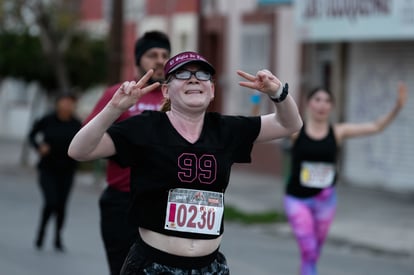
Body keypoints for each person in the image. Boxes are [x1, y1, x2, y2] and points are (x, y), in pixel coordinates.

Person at [68, 51, 303, 274]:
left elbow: (290, 125)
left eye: (202, 75)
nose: (193, 79)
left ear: (211, 90)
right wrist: (114, 108)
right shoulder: (146, 127)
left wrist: (278, 93)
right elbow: (78, 150)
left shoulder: (227, 129)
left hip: (210, 266)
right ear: (166, 91)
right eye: (182, 74)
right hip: (154, 265)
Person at [284, 83, 407, 275]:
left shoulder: (338, 132)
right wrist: (265, 100)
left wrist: (397, 107)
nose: (322, 105)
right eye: (317, 100)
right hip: (298, 200)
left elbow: (375, 126)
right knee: (308, 248)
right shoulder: (296, 131)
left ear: (332, 106)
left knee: (314, 251)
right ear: (308, 104)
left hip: (325, 201)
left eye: (327, 101)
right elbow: (267, 125)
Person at [83, 30, 171, 275]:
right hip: (122, 201)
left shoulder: (175, 97)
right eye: (153, 54)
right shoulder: (118, 95)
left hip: (162, 202)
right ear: (138, 59)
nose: (160, 60)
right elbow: (88, 138)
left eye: (165, 54)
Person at [29, 93, 82, 252]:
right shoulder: (48, 119)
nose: (67, 105)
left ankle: (58, 237)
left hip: (67, 170)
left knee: (61, 205)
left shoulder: (76, 123)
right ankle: (41, 232)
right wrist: (39, 147)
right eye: (64, 102)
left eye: (70, 103)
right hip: (48, 169)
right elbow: (32, 135)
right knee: (51, 201)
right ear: (58, 103)